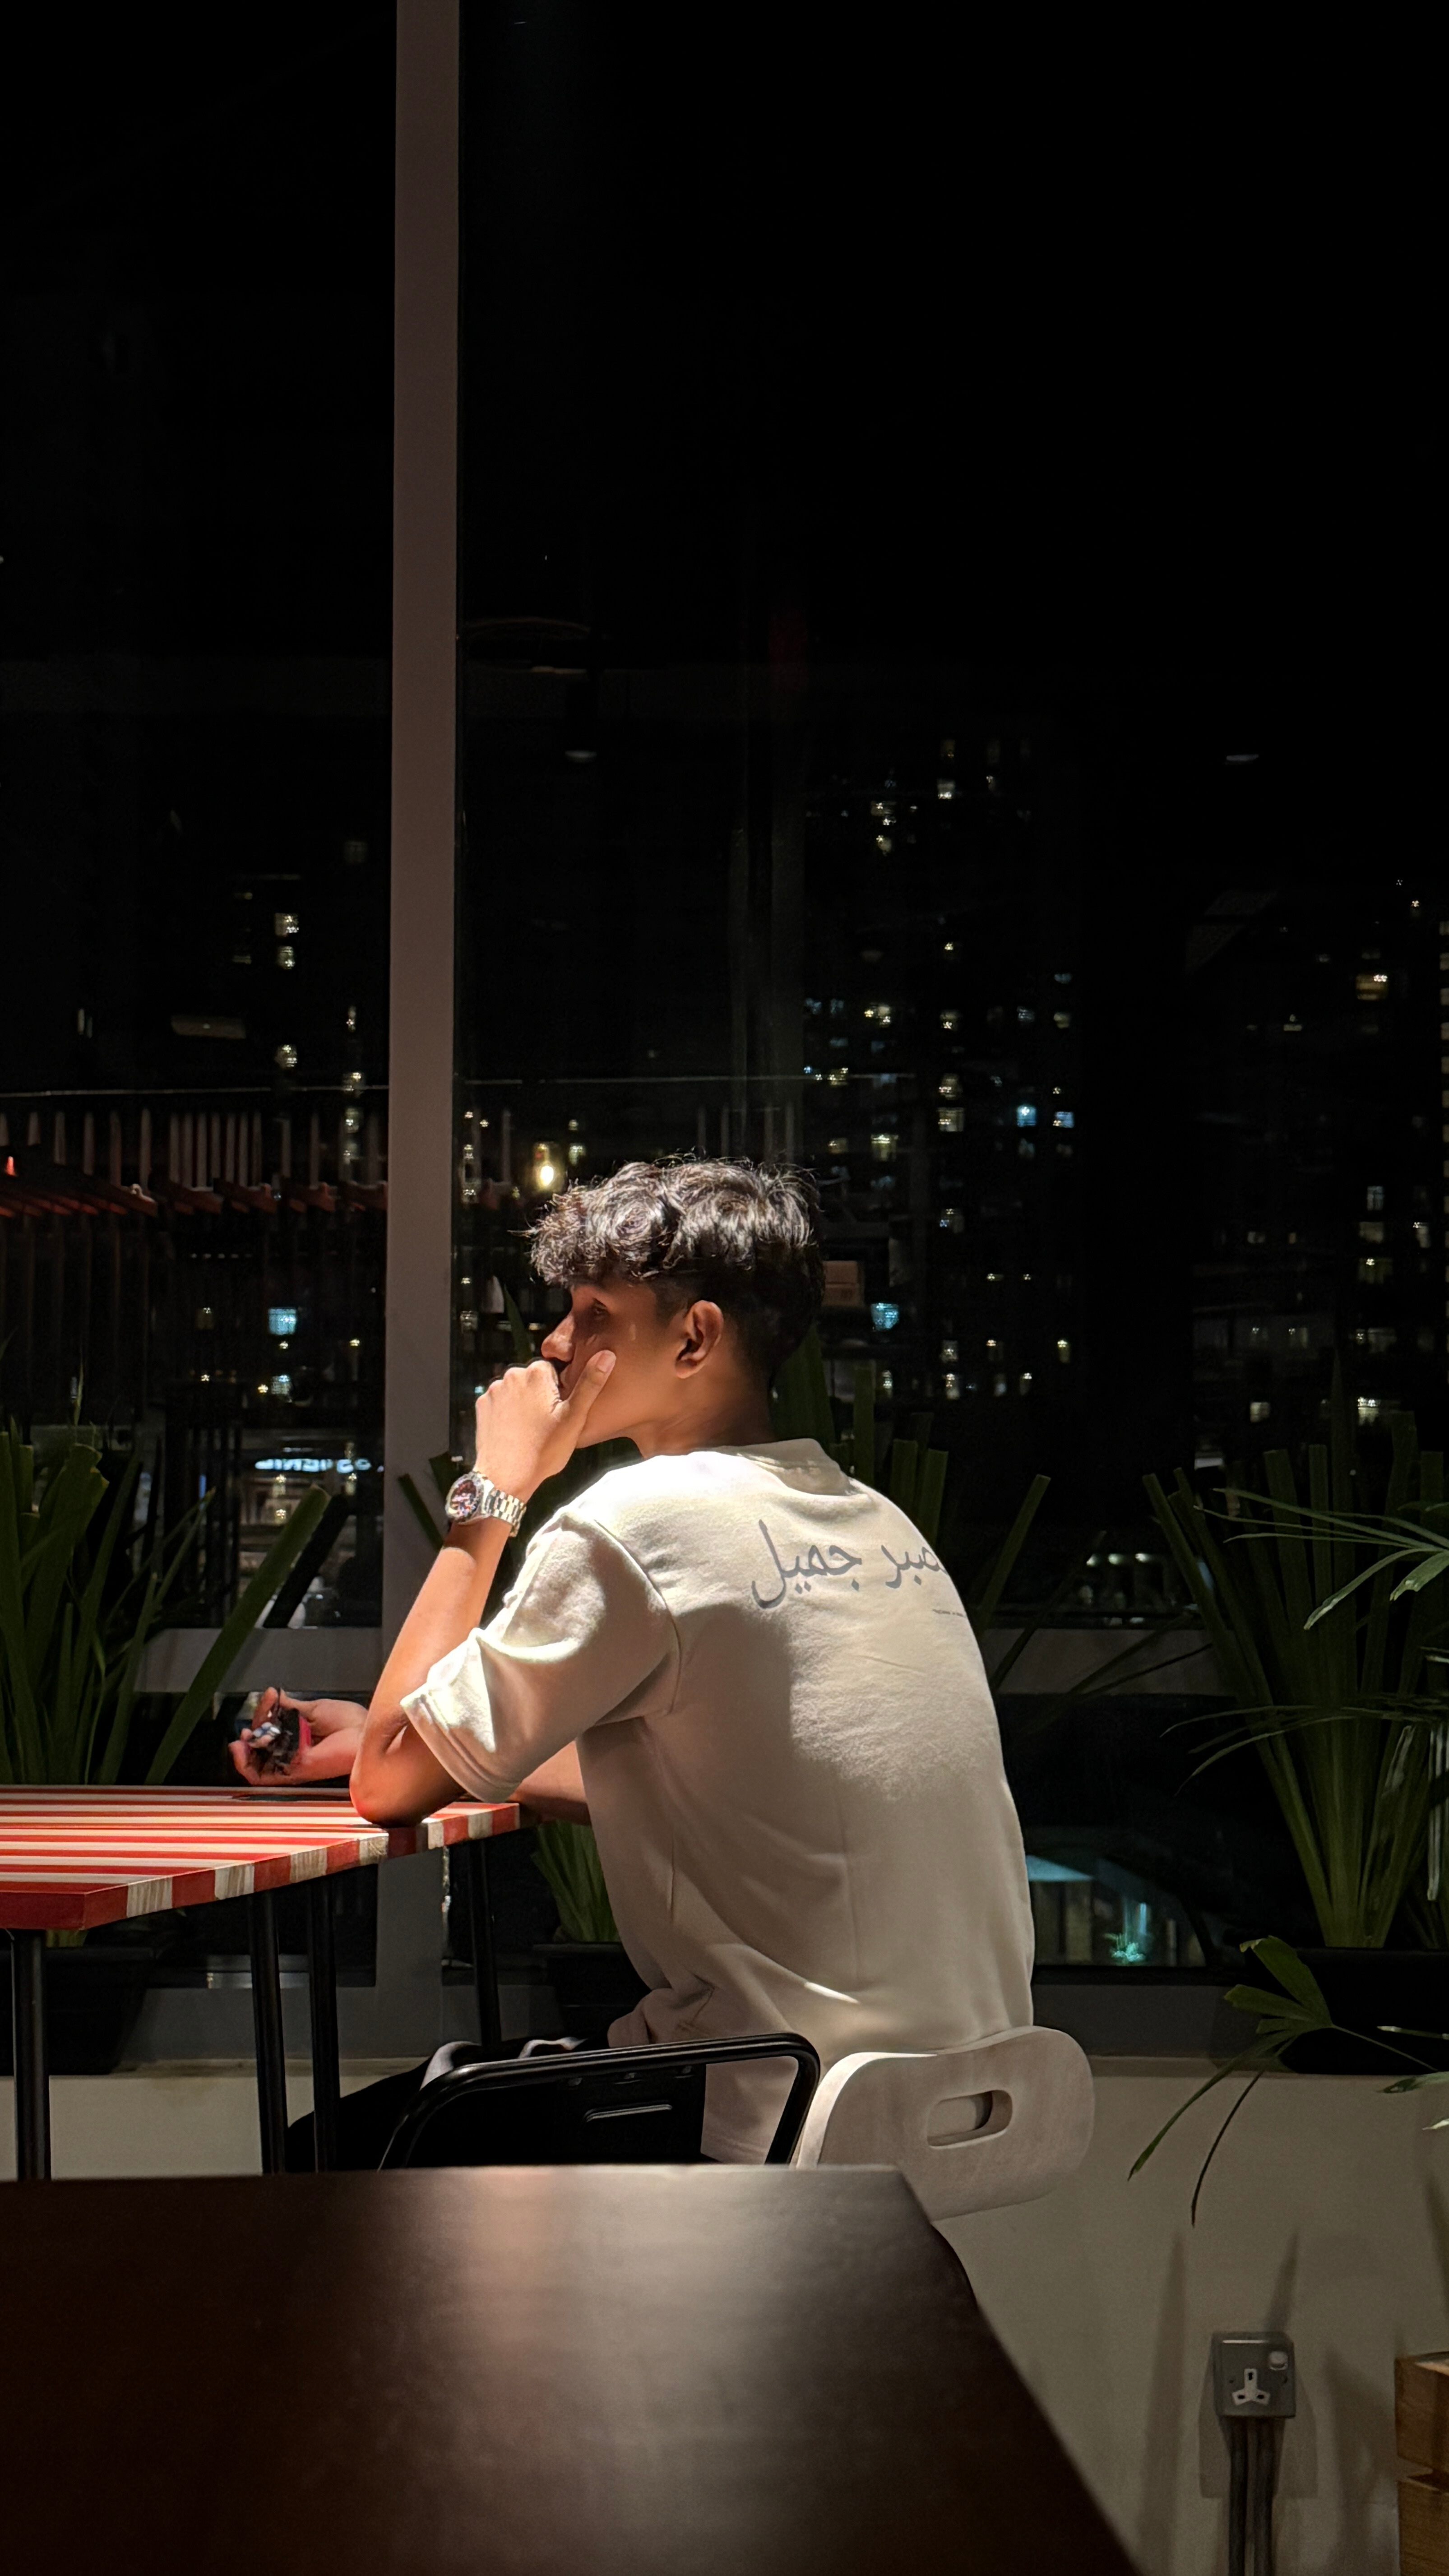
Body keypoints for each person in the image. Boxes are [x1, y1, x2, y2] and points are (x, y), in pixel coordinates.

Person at [233, 1159, 1034, 2163]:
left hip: (767, 2094)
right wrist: (411, 1740)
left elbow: (388, 1788)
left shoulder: (636, 1523)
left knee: (325, 2159)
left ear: (694, 1335)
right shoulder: (879, 1525)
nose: (555, 1344)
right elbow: (727, 1783)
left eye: (593, 1313)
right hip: (968, 2089)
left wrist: (494, 1491)